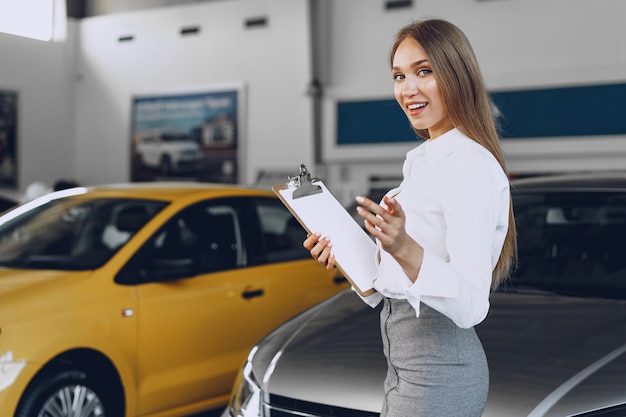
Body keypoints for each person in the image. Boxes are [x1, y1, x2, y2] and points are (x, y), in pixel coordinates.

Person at [304, 18, 517, 417]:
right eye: (399, 76)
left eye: (424, 71)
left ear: (457, 75)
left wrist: (404, 246)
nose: (408, 89)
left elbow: (472, 305)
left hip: (441, 371)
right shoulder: (423, 163)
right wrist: (344, 256)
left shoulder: (468, 164)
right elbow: (394, 287)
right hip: (406, 367)